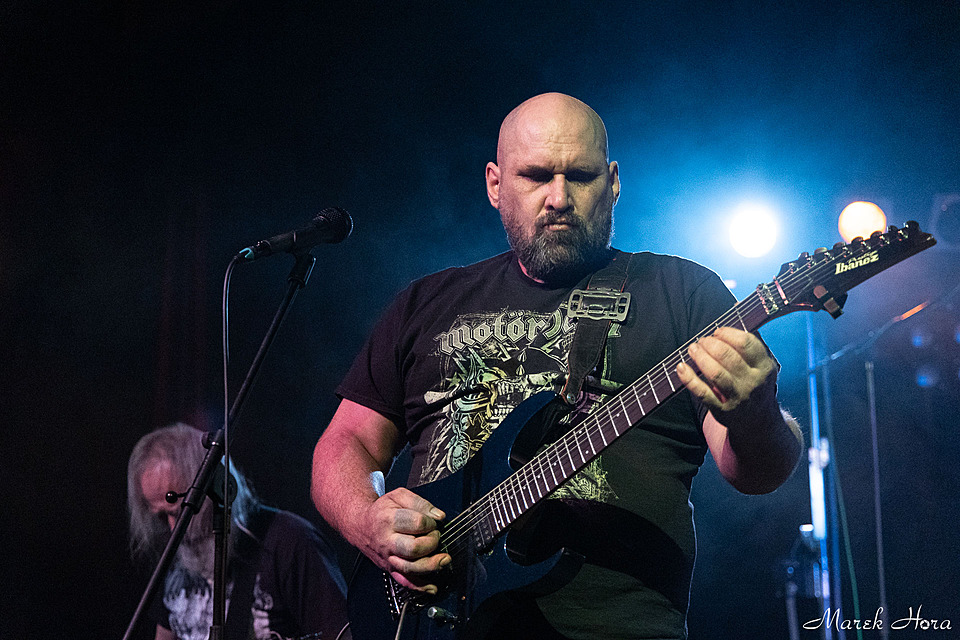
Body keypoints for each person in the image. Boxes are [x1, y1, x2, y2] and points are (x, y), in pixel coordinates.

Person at [311, 92, 803, 639]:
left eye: (581, 176)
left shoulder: (683, 293)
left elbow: (756, 474)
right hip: (424, 619)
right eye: (536, 176)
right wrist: (368, 519)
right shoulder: (425, 303)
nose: (559, 198)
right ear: (495, 184)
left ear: (613, 182)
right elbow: (345, 444)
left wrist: (756, 411)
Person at [128, 423, 350, 640]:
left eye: (179, 513)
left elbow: (343, 633)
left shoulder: (290, 543)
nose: (173, 528)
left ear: (214, 489)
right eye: (161, 516)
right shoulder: (178, 556)